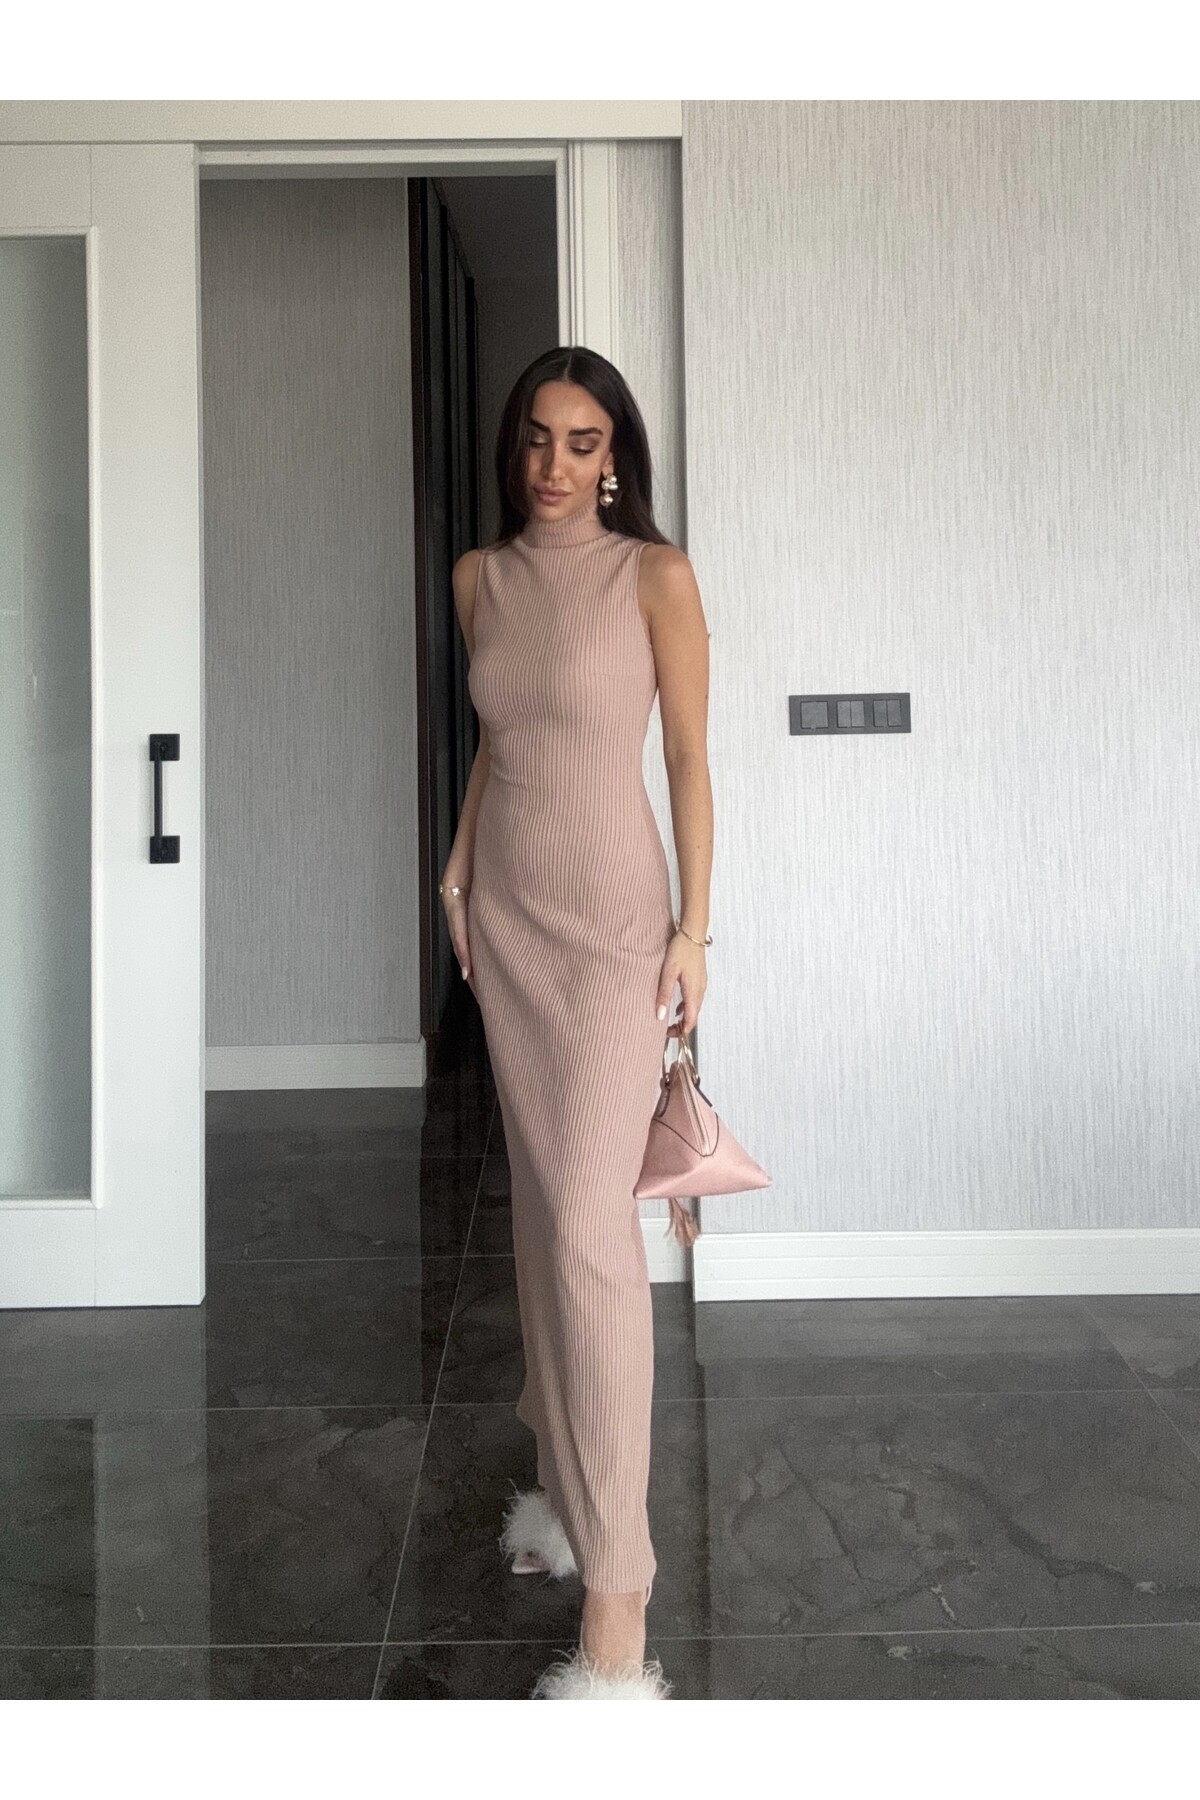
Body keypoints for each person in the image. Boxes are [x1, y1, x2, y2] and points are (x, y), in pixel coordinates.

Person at [439, 345, 712, 1700]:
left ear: (616, 459)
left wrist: (694, 931)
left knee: (594, 1231)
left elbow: (689, 758)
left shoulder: (654, 576)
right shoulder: (478, 580)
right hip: (508, 918)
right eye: (539, 438)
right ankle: (561, 1482)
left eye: (584, 441)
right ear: (517, 448)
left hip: (610, 927)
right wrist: (454, 872)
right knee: (546, 1214)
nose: (556, 464)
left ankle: (620, 1588)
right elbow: (503, 740)